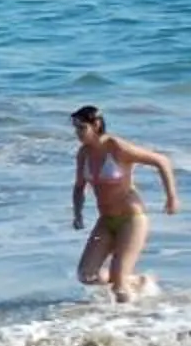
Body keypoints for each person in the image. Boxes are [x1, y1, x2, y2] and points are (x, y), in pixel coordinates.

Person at [70, 105, 178, 302]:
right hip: (106, 220)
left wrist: (171, 197)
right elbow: (79, 186)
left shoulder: (117, 147)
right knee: (87, 275)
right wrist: (77, 213)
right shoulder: (83, 153)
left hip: (132, 218)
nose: (78, 133)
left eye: (82, 128)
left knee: (119, 288)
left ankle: (130, 327)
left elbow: (161, 161)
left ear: (96, 125)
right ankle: (136, 281)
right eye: (75, 128)